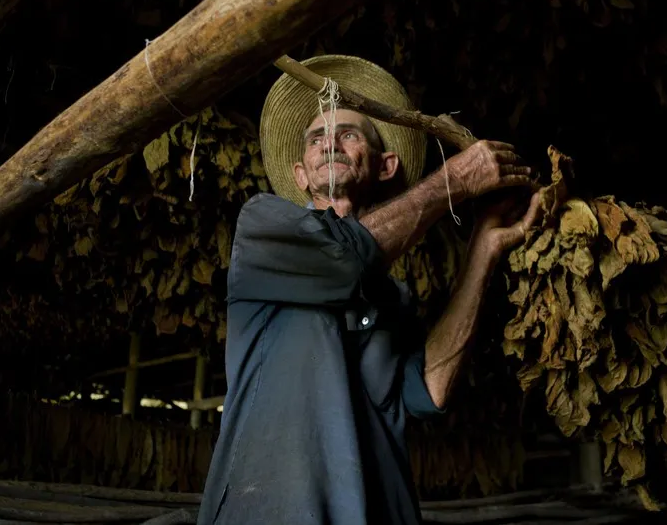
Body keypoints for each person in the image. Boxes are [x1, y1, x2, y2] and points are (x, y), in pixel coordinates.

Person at [197, 55, 539, 525]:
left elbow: (428, 392)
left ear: (386, 165)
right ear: (301, 174)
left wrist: (483, 250)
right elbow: (339, 259)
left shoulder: (392, 298)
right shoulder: (264, 228)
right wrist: (456, 179)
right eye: (316, 138)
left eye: (349, 135)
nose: (329, 144)